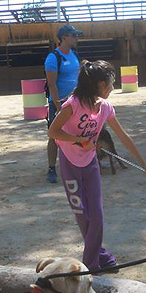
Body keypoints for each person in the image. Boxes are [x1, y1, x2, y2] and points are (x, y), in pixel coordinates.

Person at [48, 60, 146, 270]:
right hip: (70, 163)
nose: (112, 88)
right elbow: (53, 132)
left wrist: (144, 164)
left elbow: (122, 135)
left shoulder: (105, 107)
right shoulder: (73, 105)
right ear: (96, 85)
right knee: (84, 217)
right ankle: (98, 261)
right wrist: (78, 140)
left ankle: (94, 262)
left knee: (97, 216)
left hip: (90, 163)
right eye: (108, 84)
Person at [45, 24, 83, 183]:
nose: (76, 38)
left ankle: (77, 165)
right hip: (60, 103)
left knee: (77, 133)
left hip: (76, 102)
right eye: (73, 35)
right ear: (64, 37)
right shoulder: (54, 57)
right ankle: (52, 169)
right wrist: (58, 106)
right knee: (55, 135)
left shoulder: (74, 55)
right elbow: (52, 84)